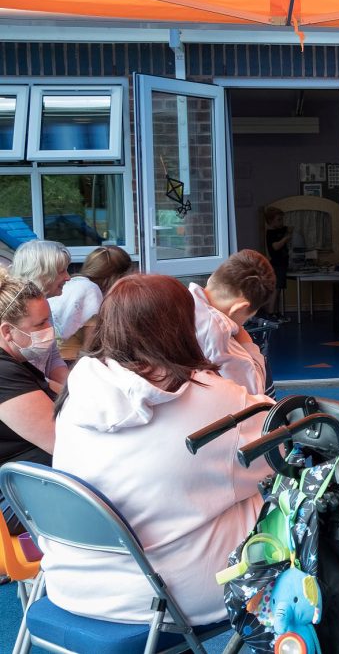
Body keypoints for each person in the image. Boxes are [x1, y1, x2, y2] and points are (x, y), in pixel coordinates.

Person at [40, 273, 273, 624]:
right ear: (182, 327)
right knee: (281, 493)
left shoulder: (81, 386)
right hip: (168, 594)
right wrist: (247, 351)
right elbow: (281, 446)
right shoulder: (213, 398)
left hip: (69, 582)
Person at [0, 270, 56, 535]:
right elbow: (62, 441)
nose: (50, 331)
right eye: (40, 324)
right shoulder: (3, 373)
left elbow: (60, 390)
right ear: (8, 332)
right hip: (10, 497)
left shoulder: (16, 363)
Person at [190, 249, 276, 396]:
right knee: (261, 365)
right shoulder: (218, 330)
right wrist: (248, 344)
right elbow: (254, 391)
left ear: (211, 278)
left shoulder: (182, 299)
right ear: (240, 307)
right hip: (211, 412)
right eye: (247, 317)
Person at [49, 244, 133, 362]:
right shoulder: (91, 291)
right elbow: (89, 349)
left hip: (52, 358)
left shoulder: (72, 282)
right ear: (116, 276)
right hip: (67, 361)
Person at [10, 239, 71, 385]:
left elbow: (52, 358)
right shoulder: (12, 311)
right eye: (61, 271)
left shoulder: (44, 306)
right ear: (41, 273)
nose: (68, 277)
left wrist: (74, 385)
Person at [264, 205, 291, 322]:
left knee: (279, 290)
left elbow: (290, 229)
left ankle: (276, 312)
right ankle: (270, 314)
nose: (281, 222)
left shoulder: (281, 230)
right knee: (276, 289)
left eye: (282, 219)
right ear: (271, 221)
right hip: (276, 264)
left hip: (282, 264)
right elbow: (275, 246)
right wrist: (286, 238)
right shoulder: (270, 233)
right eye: (278, 220)